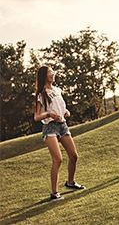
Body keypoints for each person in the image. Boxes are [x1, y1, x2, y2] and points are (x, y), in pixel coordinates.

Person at [33, 66, 85, 201]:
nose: (53, 74)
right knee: (58, 159)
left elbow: (60, 106)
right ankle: (54, 193)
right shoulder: (41, 94)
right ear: (45, 76)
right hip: (50, 128)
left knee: (74, 156)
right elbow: (37, 117)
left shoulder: (57, 90)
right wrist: (49, 114)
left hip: (62, 125)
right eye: (50, 72)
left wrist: (66, 111)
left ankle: (70, 182)